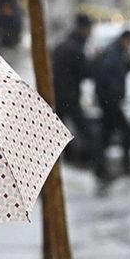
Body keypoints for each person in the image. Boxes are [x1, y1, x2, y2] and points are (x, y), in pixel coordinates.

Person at [52, 14, 98, 171]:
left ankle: (69, 158)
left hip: (58, 96)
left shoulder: (63, 46)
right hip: (69, 97)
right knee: (84, 131)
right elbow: (87, 72)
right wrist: (96, 61)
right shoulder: (75, 49)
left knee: (57, 133)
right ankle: (98, 164)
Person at [93, 30, 130, 178]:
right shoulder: (112, 53)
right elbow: (108, 77)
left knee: (107, 134)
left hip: (111, 101)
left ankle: (101, 166)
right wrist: (113, 96)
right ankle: (114, 166)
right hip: (110, 101)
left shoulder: (118, 52)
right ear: (125, 39)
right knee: (123, 132)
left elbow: (124, 70)